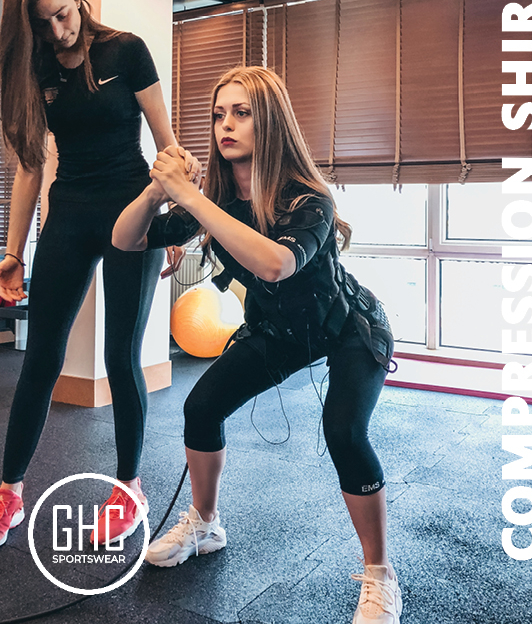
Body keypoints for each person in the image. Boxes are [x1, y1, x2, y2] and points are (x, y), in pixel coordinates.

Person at [112, 66, 403, 624]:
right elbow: (125, 239)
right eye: (219, 114)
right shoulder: (220, 196)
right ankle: (206, 522)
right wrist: (158, 189)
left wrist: (191, 201)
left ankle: (379, 573)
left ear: (268, 122)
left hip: (346, 327)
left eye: (241, 113)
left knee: (343, 429)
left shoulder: (307, 199)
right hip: (277, 331)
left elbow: (275, 265)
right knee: (201, 407)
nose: (226, 125)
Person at [0, 0, 196, 549]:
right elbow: (32, 166)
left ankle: (128, 489)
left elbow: (168, 146)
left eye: (62, 14)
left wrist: (175, 227)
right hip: (70, 214)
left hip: (132, 212)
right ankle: (8, 491)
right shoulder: (33, 68)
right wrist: (12, 251)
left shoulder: (126, 51)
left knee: (120, 355)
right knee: (41, 358)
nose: (58, 32)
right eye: (43, 25)